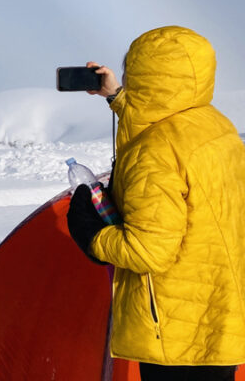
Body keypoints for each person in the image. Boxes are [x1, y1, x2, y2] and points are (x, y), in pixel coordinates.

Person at [66, 26, 245, 381]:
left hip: (176, 330)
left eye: (132, 72)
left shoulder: (154, 151)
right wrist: (115, 96)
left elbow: (149, 251)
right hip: (218, 315)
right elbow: (158, 123)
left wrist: (90, 234)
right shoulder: (216, 127)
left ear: (146, 78)